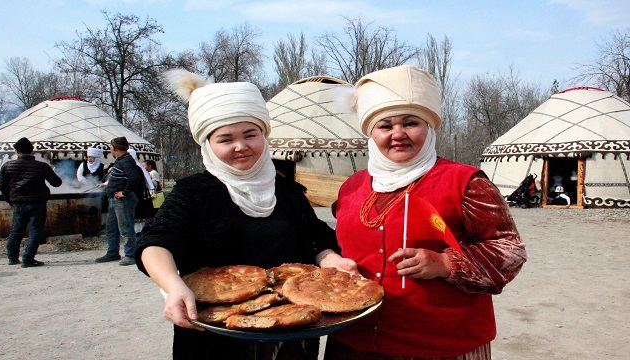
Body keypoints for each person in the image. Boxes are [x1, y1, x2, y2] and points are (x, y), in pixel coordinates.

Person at [135, 69, 352, 360]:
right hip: (217, 335)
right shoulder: (195, 193)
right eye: (226, 139)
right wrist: (173, 287)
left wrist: (333, 260)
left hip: (291, 329)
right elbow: (155, 243)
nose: (241, 146)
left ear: (264, 135)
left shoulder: (286, 192)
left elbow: (316, 239)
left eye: (251, 134)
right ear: (208, 145)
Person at [322, 65, 527, 359]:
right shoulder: (351, 187)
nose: (398, 134)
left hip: (439, 345)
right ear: (371, 133)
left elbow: (510, 251)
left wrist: (445, 263)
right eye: (385, 126)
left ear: (428, 126)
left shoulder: (466, 183)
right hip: (354, 342)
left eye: (410, 122)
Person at [0, 137, 63, 267]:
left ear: (16, 152)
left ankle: (12, 257)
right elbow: (57, 183)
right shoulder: (41, 166)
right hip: (37, 203)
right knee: (35, 231)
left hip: (18, 203)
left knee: (16, 230)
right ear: (32, 151)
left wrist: (9, 200)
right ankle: (28, 258)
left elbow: (3, 186)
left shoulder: (7, 166)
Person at [95, 137, 141, 266]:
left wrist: (124, 192)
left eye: (110, 146)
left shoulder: (126, 161)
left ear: (114, 148)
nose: (109, 149)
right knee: (112, 228)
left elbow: (134, 177)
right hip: (115, 200)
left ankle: (131, 254)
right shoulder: (121, 161)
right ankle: (112, 252)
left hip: (122, 200)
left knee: (125, 228)